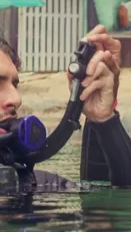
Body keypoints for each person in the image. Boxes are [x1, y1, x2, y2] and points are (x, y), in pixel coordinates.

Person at [0, 27, 121, 193]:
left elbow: (118, 203)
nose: (16, 99)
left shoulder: (34, 184)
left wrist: (104, 120)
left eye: (14, 85)